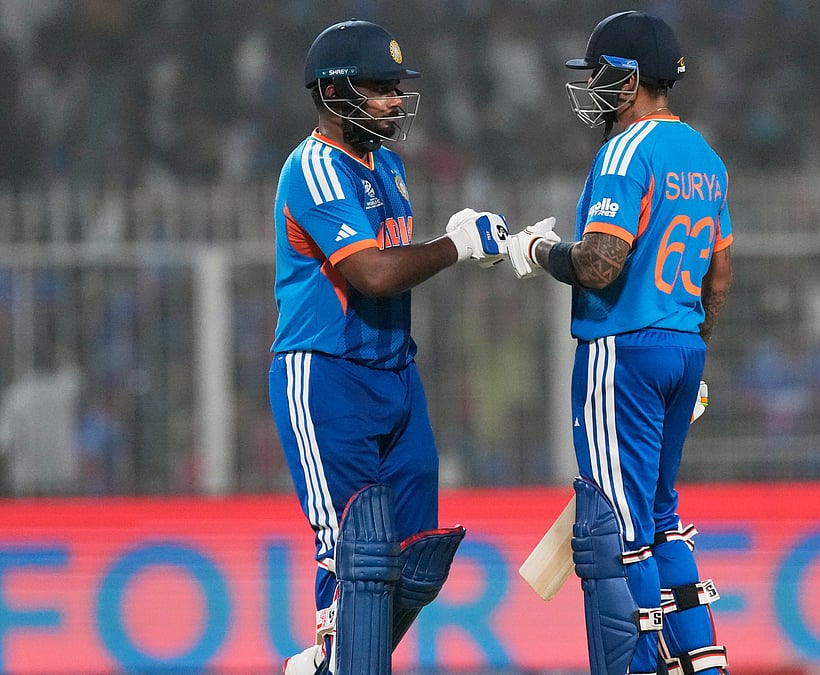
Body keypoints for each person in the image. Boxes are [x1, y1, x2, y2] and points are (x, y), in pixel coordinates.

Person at [270, 18, 509, 675]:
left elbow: (393, 261)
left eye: (397, 87)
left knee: (417, 558)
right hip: (327, 375)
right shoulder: (315, 167)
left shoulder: (389, 166)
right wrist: (456, 245)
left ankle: (331, 662)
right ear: (333, 91)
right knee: (359, 552)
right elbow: (371, 273)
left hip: (395, 372)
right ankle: (337, 660)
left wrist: (452, 238)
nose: (396, 100)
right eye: (380, 87)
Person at [506, 10, 732, 675]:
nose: (594, 88)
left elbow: (600, 263)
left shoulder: (626, 150)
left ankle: (634, 667)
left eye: (602, 75)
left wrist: (537, 250)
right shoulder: (706, 157)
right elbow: (719, 278)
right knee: (661, 519)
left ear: (630, 79)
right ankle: (702, 663)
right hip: (681, 347)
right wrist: (689, 349)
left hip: (621, 352)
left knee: (613, 530)